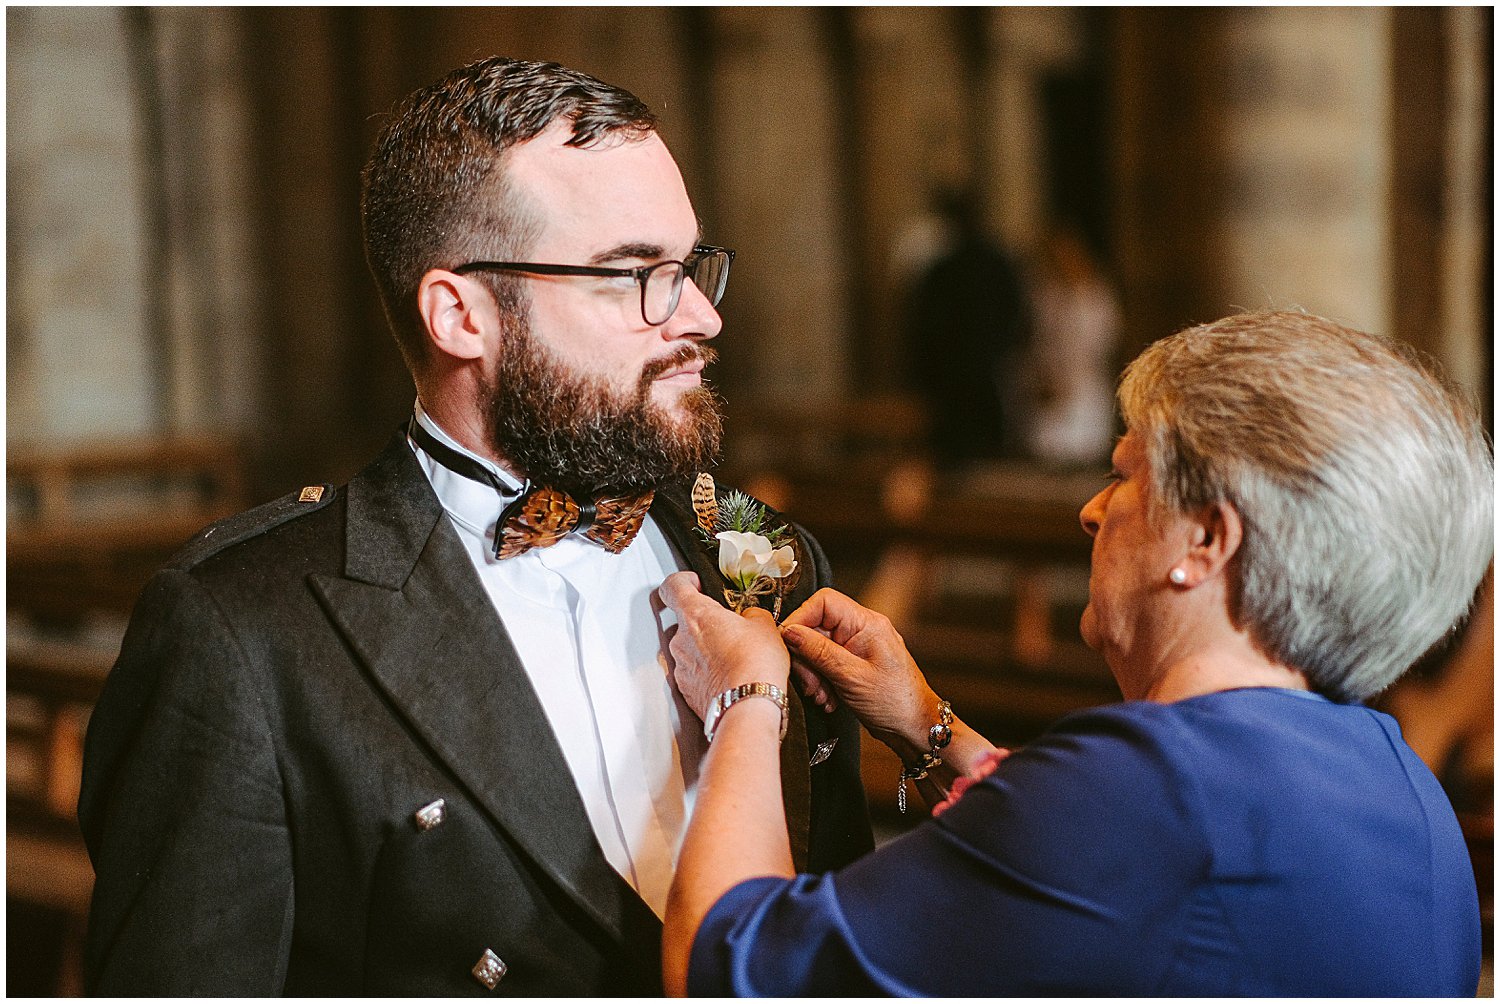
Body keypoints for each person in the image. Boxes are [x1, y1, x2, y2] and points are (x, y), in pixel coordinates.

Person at [77, 57, 871, 995]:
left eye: (691, 266)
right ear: (461, 315)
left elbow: (835, 942)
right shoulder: (243, 634)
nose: (700, 315)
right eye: (634, 275)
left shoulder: (768, 562)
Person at [658, 310, 1492, 996]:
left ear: (1205, 540)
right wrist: (928, 726)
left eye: (1126, 477)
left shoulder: (1150, 788)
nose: (1093, 512)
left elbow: (727, 969)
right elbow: (1115, 892)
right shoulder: (1397, 780)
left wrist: (746, 698)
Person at [902, 187, 1031, 470]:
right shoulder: (994, 265)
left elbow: (925, 331)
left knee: (965, 454)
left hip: (960, 378)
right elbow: (1016, 315)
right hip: (984, 373)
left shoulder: (943, 270)